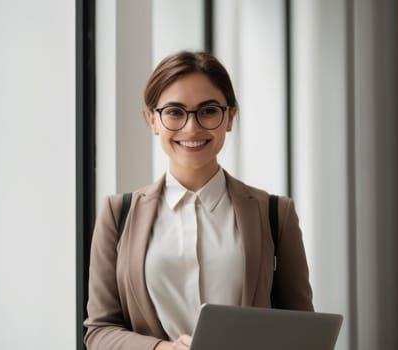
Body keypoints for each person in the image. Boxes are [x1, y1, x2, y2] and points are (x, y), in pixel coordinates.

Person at [84, 51, 313, 350]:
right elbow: (99, 331)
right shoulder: (118, 215)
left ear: (230, 117)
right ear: (152, 120)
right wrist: (161, 349)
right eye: (175, 112)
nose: (192, 128)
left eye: (208, 111)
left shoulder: (275, 214)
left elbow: (303, 332)